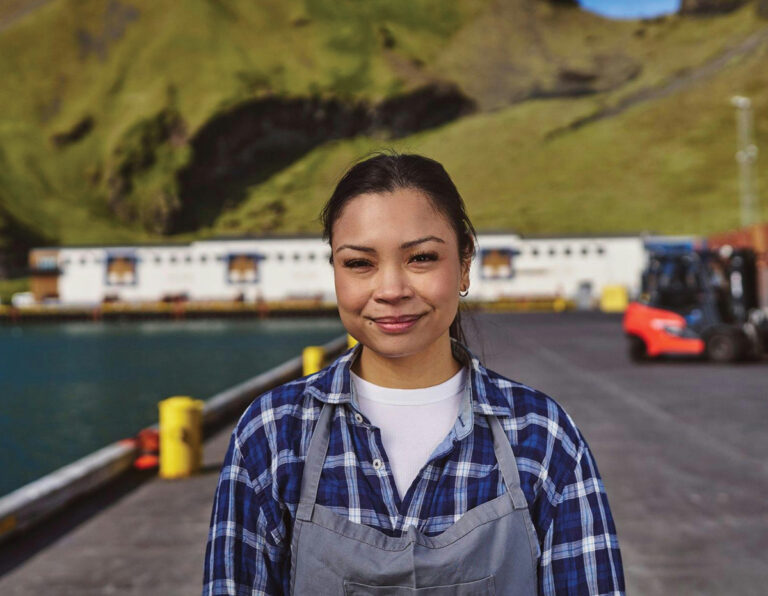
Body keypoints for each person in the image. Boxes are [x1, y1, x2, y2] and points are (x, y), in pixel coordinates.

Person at [203, 152, 625, 595]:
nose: (391, 291)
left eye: (421, 258)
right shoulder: (273, 435)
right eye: (359, 263)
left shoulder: (543, 436)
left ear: (464, 264)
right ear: (335, 271)